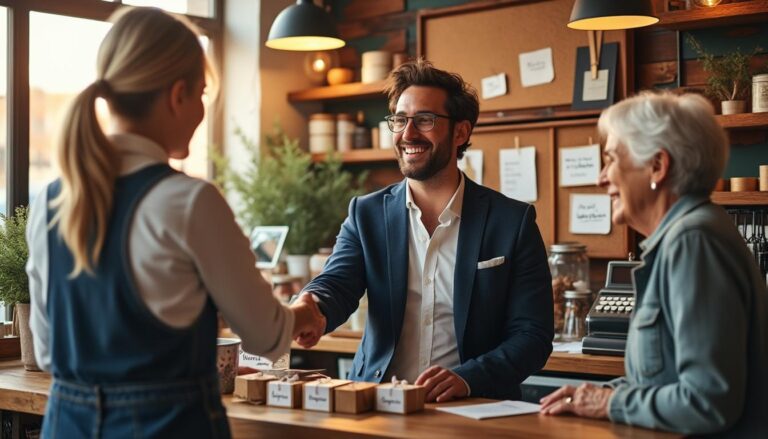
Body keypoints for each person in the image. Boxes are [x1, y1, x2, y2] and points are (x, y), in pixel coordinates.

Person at [25, 7, 325, 438]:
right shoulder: (188, 201)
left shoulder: (52, 200)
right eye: (202, 94)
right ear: (177, 94)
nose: (203, 110)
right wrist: (303, 313)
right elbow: (264, 334)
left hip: (67, 423)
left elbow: (50, 352)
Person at [296, 59, 554, 402]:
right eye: (400, 120)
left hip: (473, 407)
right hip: (378, 405)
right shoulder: (366, 214)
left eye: (425, 120)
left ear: (460, 132)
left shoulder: (512, 222)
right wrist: (311, 307)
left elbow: (533, 334)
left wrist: (468, 379)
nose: (407, 133)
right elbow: (337, 284)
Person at [540, 91, 768, 437]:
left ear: (657, 166)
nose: (602, 178)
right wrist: (607, 393)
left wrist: (607, 404)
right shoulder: (688, 235)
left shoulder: (693, 242)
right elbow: (665, 379)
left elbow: (707, 401)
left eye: (611, 160)